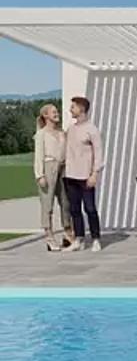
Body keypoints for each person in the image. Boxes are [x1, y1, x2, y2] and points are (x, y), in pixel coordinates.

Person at [63, 96, 104, 252]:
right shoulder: (70, 129)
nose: (70, 109)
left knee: (90, 208)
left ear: (81, 109)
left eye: (73, 107)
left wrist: (94, 174)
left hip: (86, 176)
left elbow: (98, 153)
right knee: (74, 209)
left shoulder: (92, 129)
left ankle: (96, 239)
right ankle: (79, 239)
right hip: (70, 175)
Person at [33, 104, 74, 251]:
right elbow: (38, 156)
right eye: (53, 112)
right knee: (47, 204)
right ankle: (49, 236)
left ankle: (68, 233)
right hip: (48, 168)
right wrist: (40, 175)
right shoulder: (41, 134)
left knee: (66, 202)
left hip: (62, 168)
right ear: (45, 115)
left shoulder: (61, 132)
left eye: (57, 111)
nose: (57, 114)